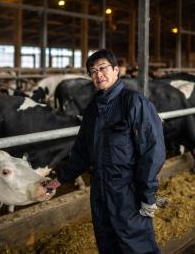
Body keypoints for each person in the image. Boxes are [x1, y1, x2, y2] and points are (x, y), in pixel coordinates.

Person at [46, 49, 166, 253]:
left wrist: (148, 195)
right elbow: (82, 152)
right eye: (92, 71)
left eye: (103, 68)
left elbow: (152, 152)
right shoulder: (93, 108)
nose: (98, 74)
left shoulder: (134, 102)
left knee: (136, 244)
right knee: (106, 243)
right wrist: (58, 180)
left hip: (128, 192)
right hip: (99, 191)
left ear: (116, 70)